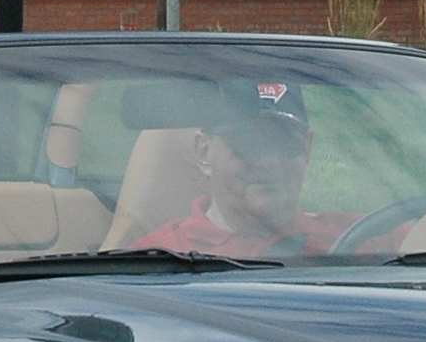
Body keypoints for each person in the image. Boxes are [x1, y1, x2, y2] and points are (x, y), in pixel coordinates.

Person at [133, 79, 382, 259]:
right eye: (248, 143)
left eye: (285, 142)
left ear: (307, 149)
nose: (269, 161)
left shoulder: (367, 237)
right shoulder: (158, 258)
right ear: (204, 152)